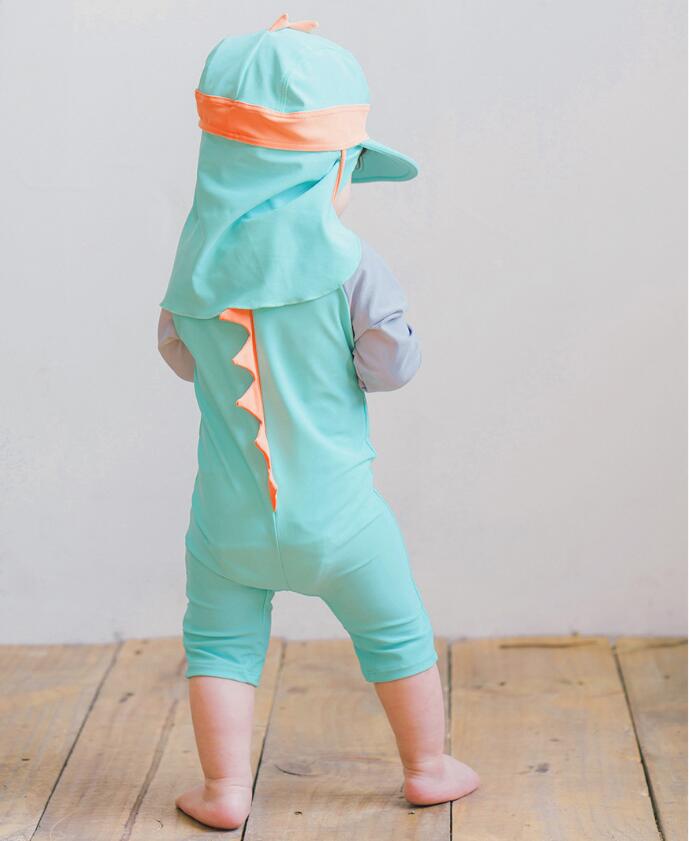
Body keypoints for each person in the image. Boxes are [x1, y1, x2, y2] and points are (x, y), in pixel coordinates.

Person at [158, 13, 479, 830]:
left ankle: (224, 789)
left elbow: (179, 355)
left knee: (220, 646)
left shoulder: (191, 268)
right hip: (340, 519)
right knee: (395, 631)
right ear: (333, 165)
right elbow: (390, 367)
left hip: (226, 521)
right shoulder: (352, 264)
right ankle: (427, 766)